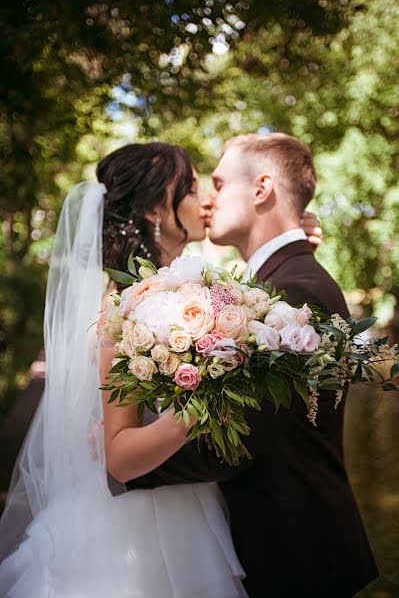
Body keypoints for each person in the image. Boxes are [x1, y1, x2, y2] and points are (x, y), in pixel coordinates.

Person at [0, 141, 321, 598]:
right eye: (191, 189)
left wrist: (292, 239)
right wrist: (204, 399)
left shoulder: (193, 288)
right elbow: (120, 455)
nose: (206, 199)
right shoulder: (119, 308)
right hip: (138, 528)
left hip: (194, 505)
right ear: (156, 209)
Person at [126, 134, 379, 598]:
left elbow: (239, 443)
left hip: (293, 556)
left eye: (219, 185)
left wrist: (122, 461)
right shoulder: (280, 282)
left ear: (262, 189)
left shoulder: (298, 290)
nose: (208, 201)